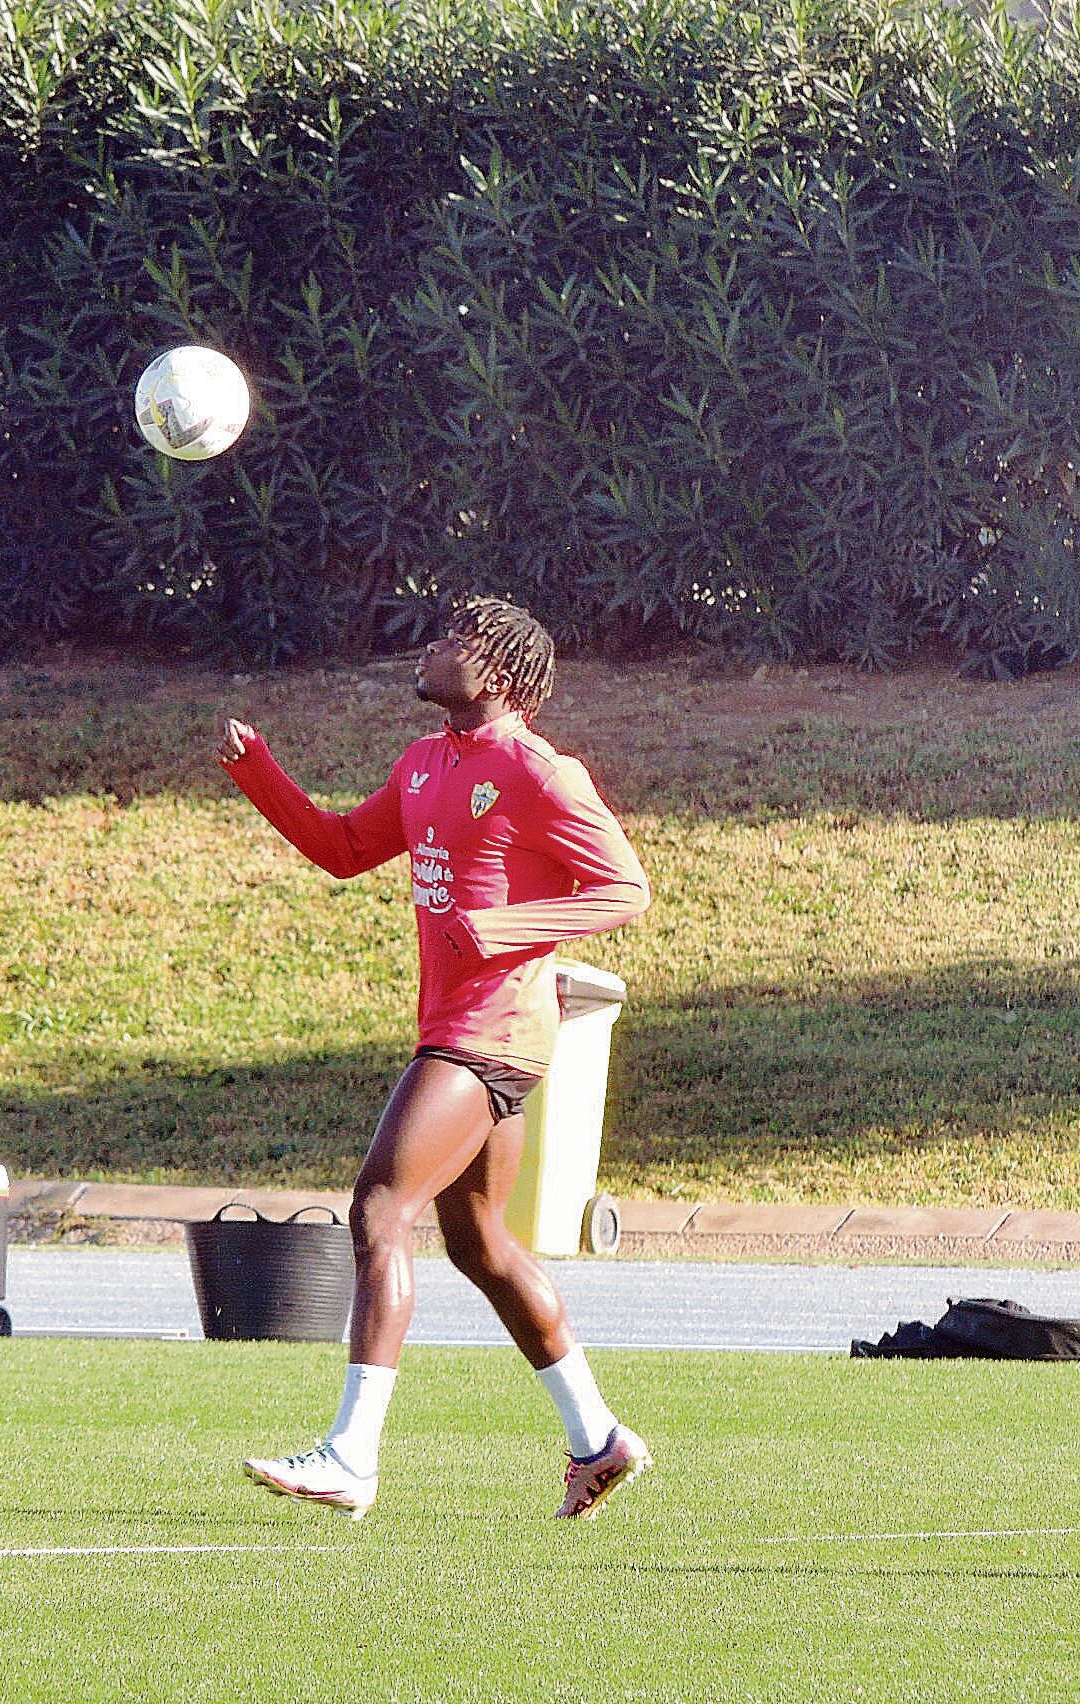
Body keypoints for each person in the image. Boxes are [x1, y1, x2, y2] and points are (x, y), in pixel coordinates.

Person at [218, 598, 651, 1521]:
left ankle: (351, 1458)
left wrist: (502, 930)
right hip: (459, 1026)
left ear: (496, 670)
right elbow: (342, 850)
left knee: (380, 1209)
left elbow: (625, 888)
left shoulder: (541, 771)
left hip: (489, 1030)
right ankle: (598, 1436)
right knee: (481, 1244)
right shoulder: (422, 764)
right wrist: (261, 775)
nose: (432, 645)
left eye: (455, 639)